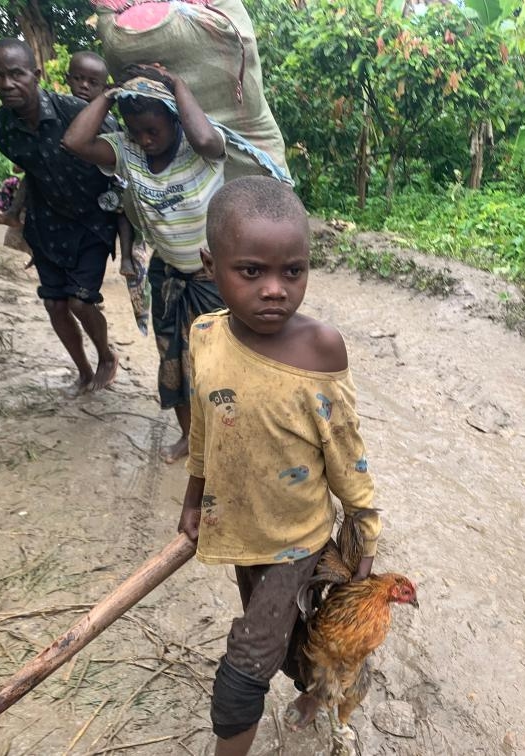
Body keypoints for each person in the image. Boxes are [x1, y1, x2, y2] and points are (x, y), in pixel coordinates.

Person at [176, 176, 381, 756]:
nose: (275, 290)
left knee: (244, 663)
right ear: (211, 265)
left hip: (297, 537)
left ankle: (256, 721)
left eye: (293, 272)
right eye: (251, 272)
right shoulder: (205, 335)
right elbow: (204, 430)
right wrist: (194, 497)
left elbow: (345, 449)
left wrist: (364, 524)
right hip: (240, 530)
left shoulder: (319, 349)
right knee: (286, 632)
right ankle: (315, 684)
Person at [63, 63, 228, 463]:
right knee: (173, 362)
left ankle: (224, 444)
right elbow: (74, 141)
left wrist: (175, 82)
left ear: (175, 119)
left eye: (153, 130)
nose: (145, 139)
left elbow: (206, 135)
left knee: (220, 367)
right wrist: (111, 93)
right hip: (168, 275)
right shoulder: (127, 151)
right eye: (136, 131)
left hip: (216, 279)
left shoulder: (200, 148)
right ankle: (190, 437)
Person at [0, 38, 120, 395]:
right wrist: (15, 214)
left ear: (36, 74)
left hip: (92, 222)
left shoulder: (73, 111)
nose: (6, 84)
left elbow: (123, 158)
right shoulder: (5, 125)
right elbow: (30, 170)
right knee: (55, 304)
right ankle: (83, 371)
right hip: (46, 225)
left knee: (80, 300)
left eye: (16, 74)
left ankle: (106, 356)